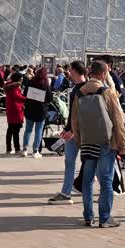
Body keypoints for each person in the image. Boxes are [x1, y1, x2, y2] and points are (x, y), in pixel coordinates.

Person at [71, 60, 125, 228]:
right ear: (103, 74)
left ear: (90, 73)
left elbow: (74, 121)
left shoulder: (79, 92)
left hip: (87, 141)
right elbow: (118, 121)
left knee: (87, 180)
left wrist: (80, 141)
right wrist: (122, 145)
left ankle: (88, 216)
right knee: (106, 181)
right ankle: (105, 217)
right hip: (106, 142)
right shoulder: (107, 92)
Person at [50, 61, 87, 203]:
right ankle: (66, 193)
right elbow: (73, 112)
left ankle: (106, 189)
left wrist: (72, 130)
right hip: (74, 131)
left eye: (71, 70)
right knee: (70, 162)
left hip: (81, 133)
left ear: (76, 71)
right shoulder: (77, 87)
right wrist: (67, 128)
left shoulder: (84, 89)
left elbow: (82, 113)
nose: (69, 73)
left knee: (86, 163)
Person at [21, 67, 51, 157]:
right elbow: (50, 98)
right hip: (41, 110)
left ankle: (25, 149)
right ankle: (35, 151)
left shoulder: (30, 82)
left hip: (30, 109)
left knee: (28, 130)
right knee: (39, 131)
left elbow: (25, 94)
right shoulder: (45, 84)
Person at [3, 71, 25, 155]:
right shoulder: (14, 87)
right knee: (16, 130)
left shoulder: (9, 86)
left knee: (10, 130)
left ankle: (8, 148)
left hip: (11, 109)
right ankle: (17, 148)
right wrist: (27, 98)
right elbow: (17, 97)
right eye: (21, 79)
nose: (22, 80)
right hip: (15, 110)